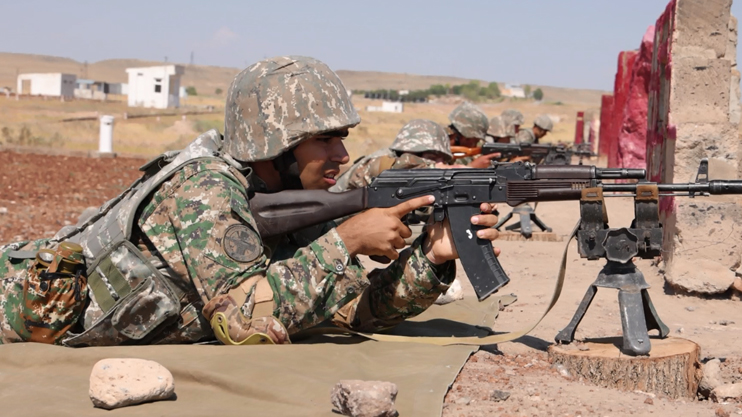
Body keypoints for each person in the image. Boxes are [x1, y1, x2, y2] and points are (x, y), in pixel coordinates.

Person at [0, 56, 501, 347]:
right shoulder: (205, 188)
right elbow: (240, 320)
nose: (343, 155)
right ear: (276, 145)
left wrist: (432, 258)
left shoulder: (288, 197)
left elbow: (354, 310)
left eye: (342, 139)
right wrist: (346, 240)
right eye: (325, 140)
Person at [330, 119, 453, 193]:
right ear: (409, 151)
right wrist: (435, 168)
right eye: (432, 157)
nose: (440, 164)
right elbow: (396, 167)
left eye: (443, 160)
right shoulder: (381, 162)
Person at [446, 101, 499, 168]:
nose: (474, 145)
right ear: (466, 137)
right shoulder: (436, 147)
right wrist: (471, 167)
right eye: (475, 141)